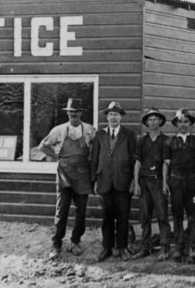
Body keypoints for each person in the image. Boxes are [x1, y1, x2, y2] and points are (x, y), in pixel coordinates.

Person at [39, 98, 97, 260]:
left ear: (81, 113)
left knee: (81, 210)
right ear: (68, 113)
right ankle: (56, 243)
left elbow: (97, 148)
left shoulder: (90, 130)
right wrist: (57, 156)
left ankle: (75, 241)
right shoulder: (58, 130)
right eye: (71, 112)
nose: (74, 115)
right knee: (62, 209)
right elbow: (42, 146)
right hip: (64, 174)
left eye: (77, 112)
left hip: (83, 174)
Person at [89, 101, 137, 262]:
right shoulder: (99, 135)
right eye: (111, 114)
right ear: (107, 116)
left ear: (121, 117)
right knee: (107, 217)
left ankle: (122, 247)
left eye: (116, 114)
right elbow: (94, 158)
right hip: (104, 181)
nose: (113, 117)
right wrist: (94, 180)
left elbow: (133, 159)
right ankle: (107, 247)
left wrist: (133, 181)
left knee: (123, 216)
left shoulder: (129, 135)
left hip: (123, 181)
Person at [165, 108, 195, 263]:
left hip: (191, 180)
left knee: (193, 214)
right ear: (176, 124)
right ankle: (178, 246)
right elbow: (166, 165)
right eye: (180, 122)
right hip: (175, 180)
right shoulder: (170, 141)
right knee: (177, 215)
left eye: (186, 122)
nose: (183, 125)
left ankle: (193, 246)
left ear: (190, 124)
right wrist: (165, 183)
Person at [132, 108, 171, 260]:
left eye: (155, 119)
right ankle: (145, 247)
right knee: (145, 216)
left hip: (159, 181)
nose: (153, 122)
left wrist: (165, 183)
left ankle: (165, 247)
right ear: (146, 122)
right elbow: (137, 162)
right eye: (150, 119)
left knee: (162, 215)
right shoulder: (141, 140)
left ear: (160, 121)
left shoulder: (166, 140)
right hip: (144, 182)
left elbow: (167, 164)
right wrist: (136, 183)